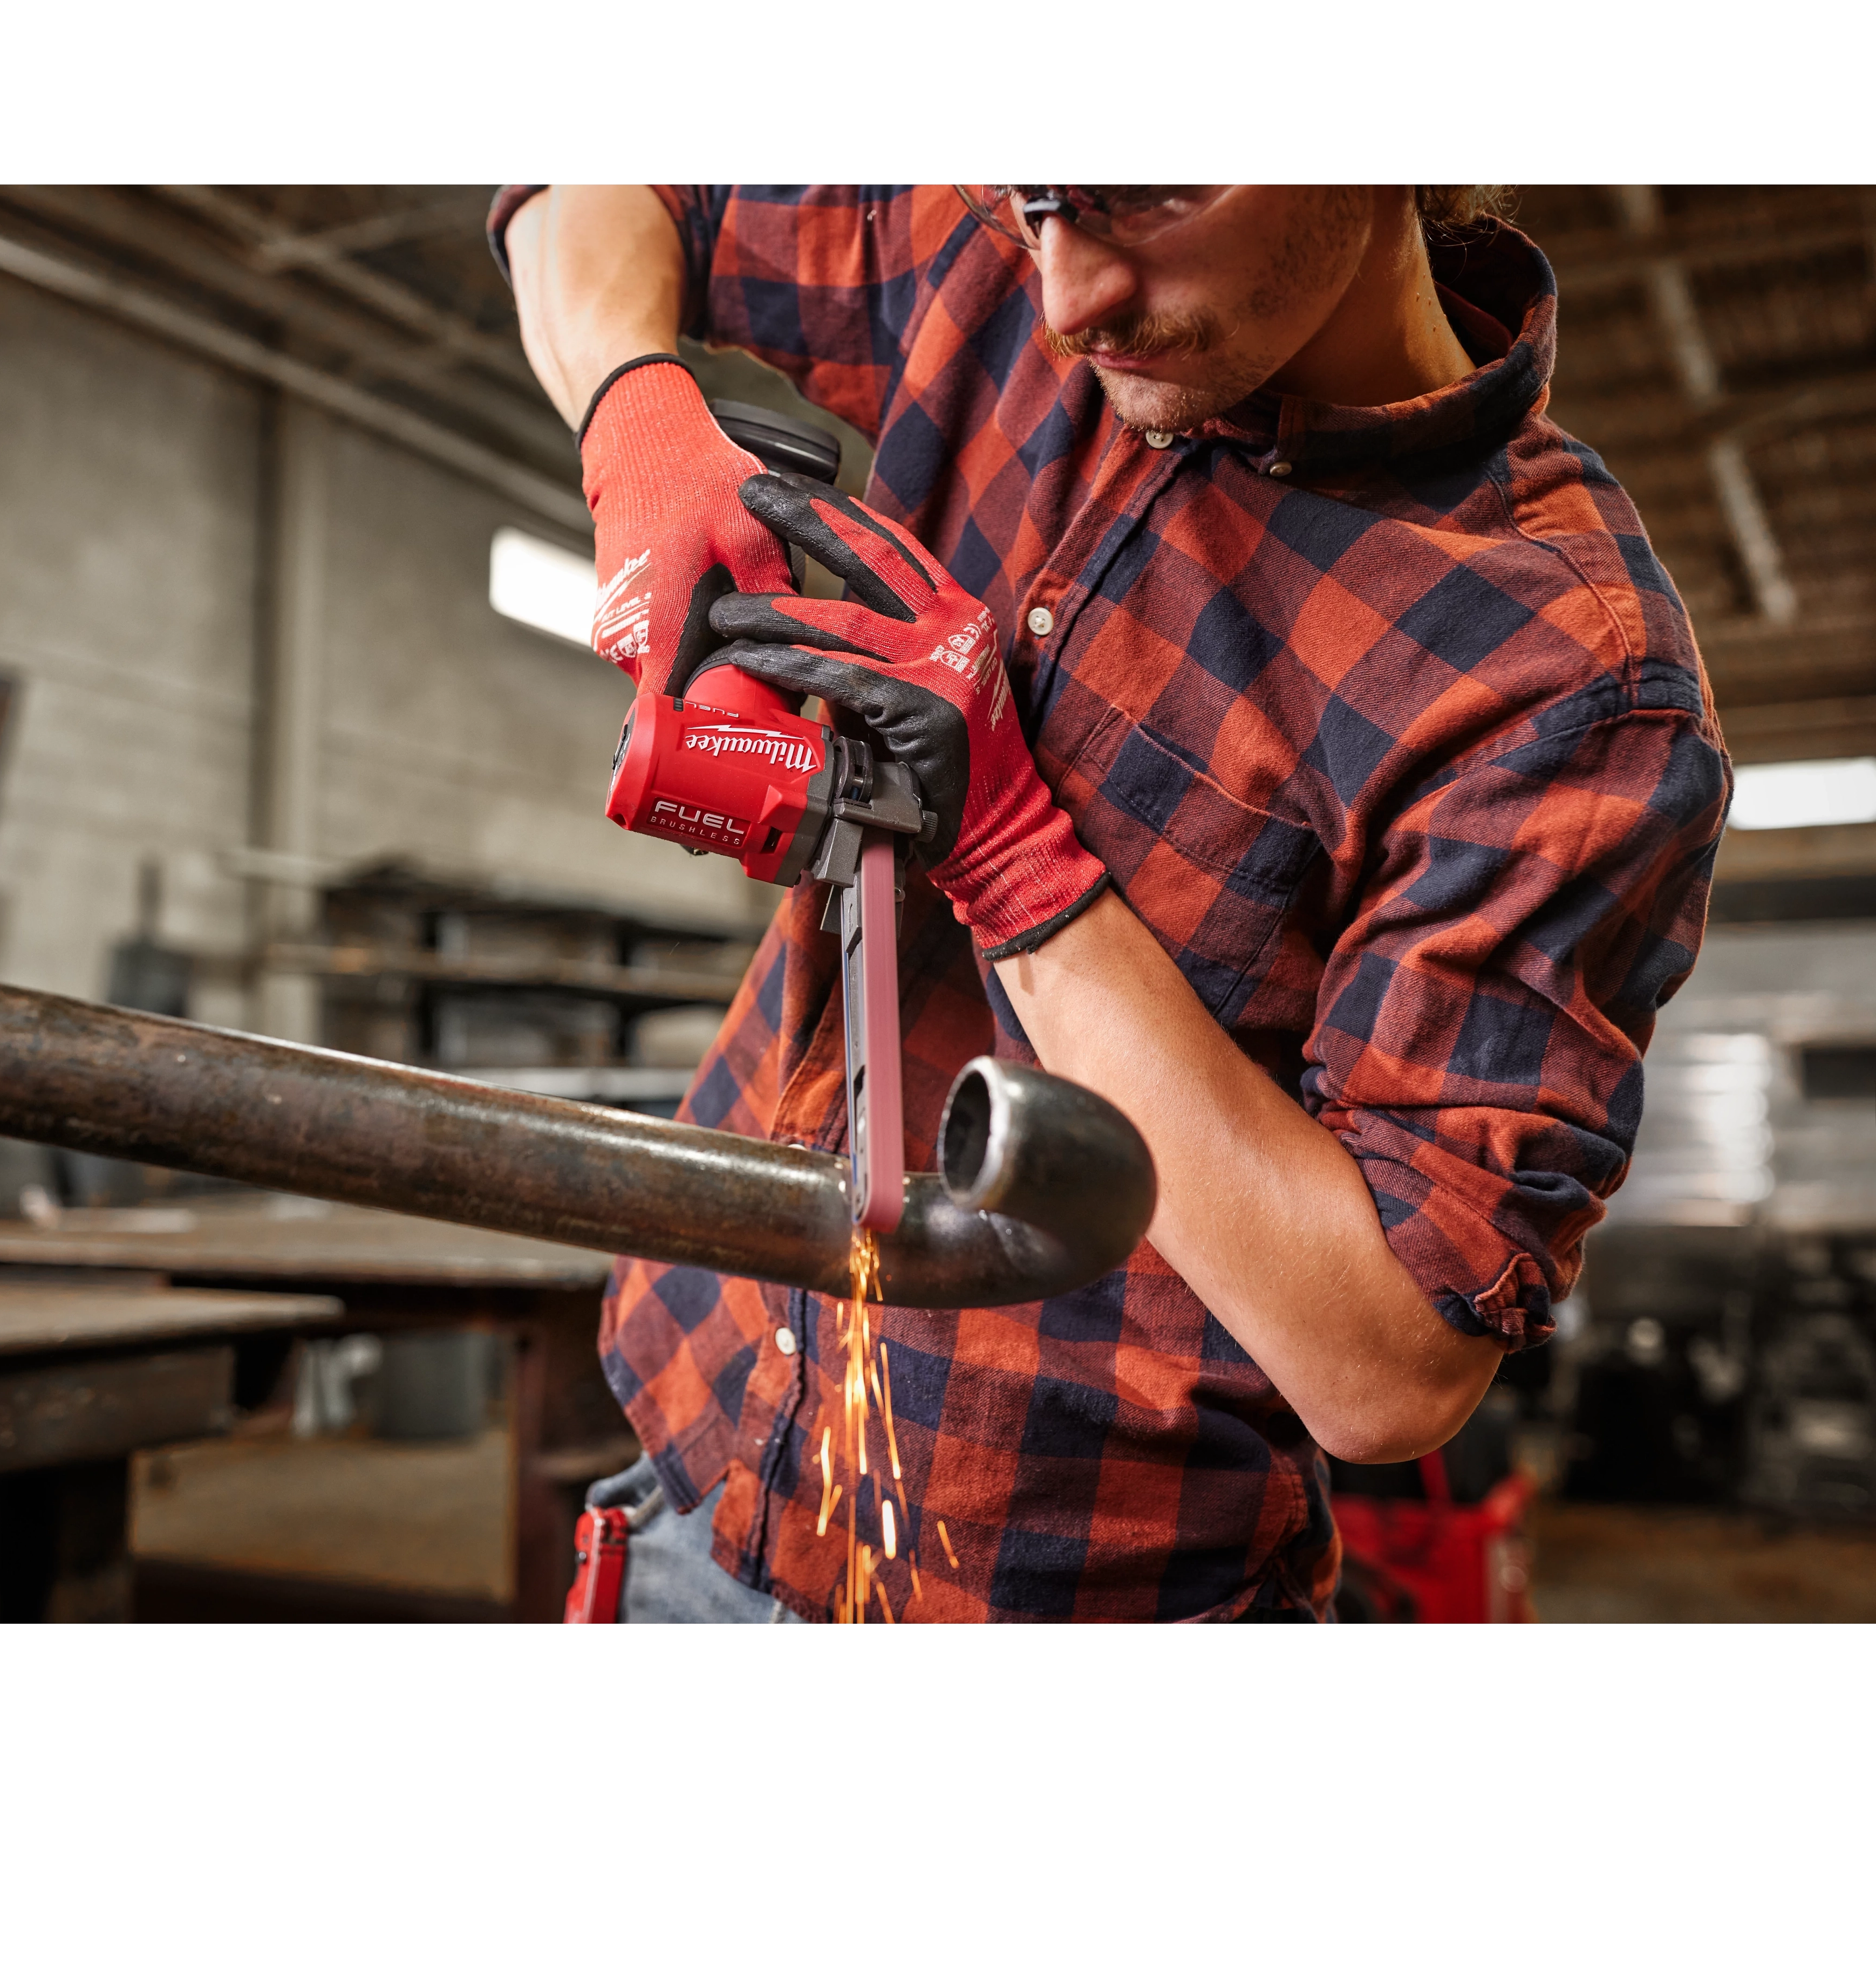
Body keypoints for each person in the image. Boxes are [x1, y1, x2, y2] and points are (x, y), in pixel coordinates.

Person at [494, 184, 1728, 1624]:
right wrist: (630, 403)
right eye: (1038, 204)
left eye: (1146, 197)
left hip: (1065, 1585)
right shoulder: (1002, 266)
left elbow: (1389, 1367)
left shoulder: (1565, 673)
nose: (1070, 297)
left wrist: (1020, 866)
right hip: (691, 1479)